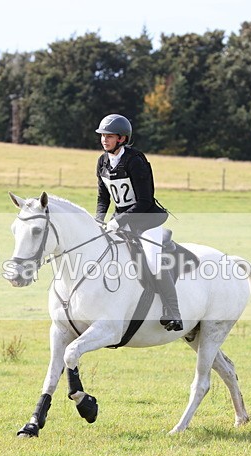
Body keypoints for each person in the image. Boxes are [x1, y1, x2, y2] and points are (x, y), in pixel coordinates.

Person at [94, 113, 183, 332]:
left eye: (109, 136)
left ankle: (173, 312)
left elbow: (145, 200)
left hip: (147, 220)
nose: (104, 139)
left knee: (153, 261)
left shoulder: (135, 160)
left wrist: (122, 219)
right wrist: (98, 220)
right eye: (102, 135)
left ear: (122, 139)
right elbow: (103, 197)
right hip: (121, 221)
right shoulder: (103, 161)